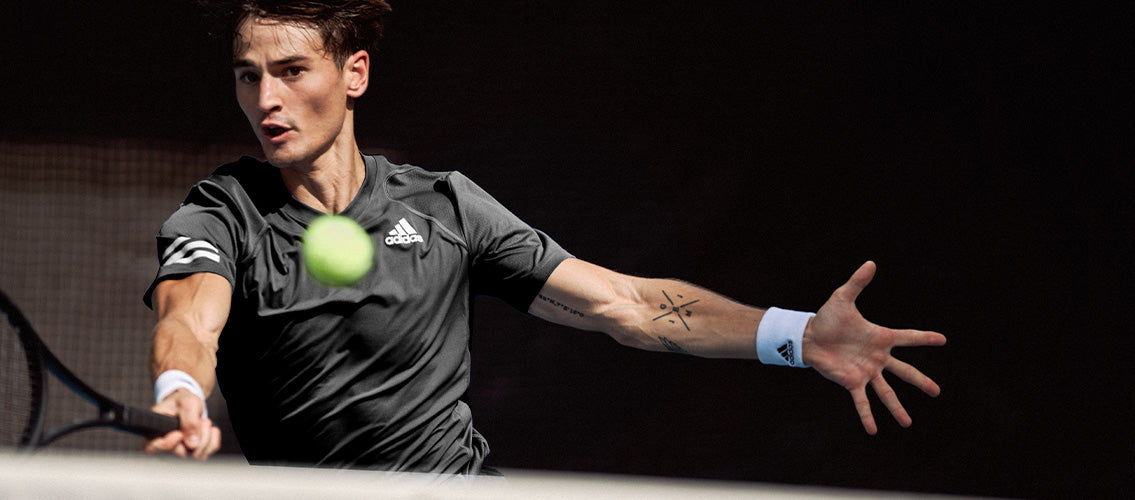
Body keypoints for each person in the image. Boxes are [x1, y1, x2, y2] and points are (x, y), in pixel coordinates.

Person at [142, 0, 947, 474]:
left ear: (353, 74)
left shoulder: (443, 208)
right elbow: (190, 318)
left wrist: (795, 335)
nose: (264, 99)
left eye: (290, 71)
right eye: (248, 75)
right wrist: (179, 390)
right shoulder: (225, 212)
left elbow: (623, 305)